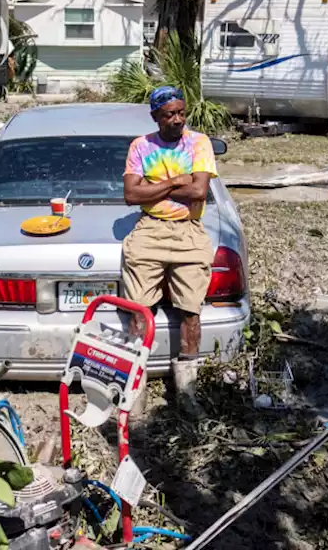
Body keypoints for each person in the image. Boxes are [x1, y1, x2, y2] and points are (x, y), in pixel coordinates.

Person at [121, 86, 218, 412]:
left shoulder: (198, 143)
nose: (177, 120)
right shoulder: (140, 145)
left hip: (188, 231)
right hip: (149, 230)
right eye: (169, 115)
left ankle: (186, 391)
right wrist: (177, 181)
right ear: (155, 117)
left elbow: (200, 191)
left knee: (191, 310)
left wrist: (152, 188)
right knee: (138, 310)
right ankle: (137, 386)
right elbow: (132, 196)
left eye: (181, 113)